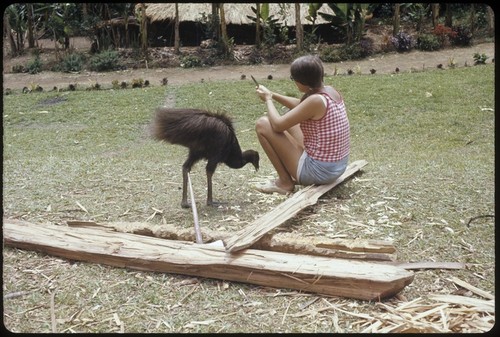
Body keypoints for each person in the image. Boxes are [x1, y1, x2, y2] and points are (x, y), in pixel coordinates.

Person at [254, 55, 350, 195]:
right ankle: (290, 175)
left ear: (302, 82)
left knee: (263, 124)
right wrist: (272, 94)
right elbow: (301, 106)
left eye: (294, 79)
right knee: (290, 114)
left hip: (319, 172)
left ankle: (285, 182)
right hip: (336, 167)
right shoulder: (329, 91)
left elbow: (277, 126)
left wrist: (268, 100)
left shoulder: (316, 100)